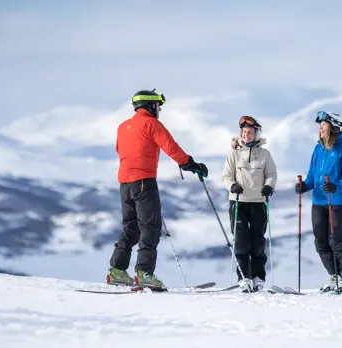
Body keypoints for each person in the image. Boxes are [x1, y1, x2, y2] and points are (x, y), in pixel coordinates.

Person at [107, 89, 208, 289]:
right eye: (158, 105)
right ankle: (144, 273)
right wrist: (190, 164)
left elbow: (120, 150)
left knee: (131, 227)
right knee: (150, 228)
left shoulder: (122, 127)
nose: (160, 109)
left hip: (125, 183)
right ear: (151, 105)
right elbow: (171, 147)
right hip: (144, 181)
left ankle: (117, 271)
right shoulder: (151, 123)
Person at [294, 111, 342, 292]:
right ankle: (335, 276)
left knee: (336, 240)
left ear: (334, 128)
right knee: (320, 241)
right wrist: (304, 186)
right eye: (320, 126)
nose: (320, 129)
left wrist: (336, 186)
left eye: (323, 126)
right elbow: (312, 176)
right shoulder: (318, 148)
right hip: (319, 201)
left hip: (340, 201)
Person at [222, 115, 277, 292]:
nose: (246, 135)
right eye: (244, 132)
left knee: (258, 242)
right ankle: (244, 277)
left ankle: (259, 278)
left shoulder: (265, 154)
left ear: (256, 134)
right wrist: (232, 185)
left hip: (259, 202)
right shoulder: (234, 154)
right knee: (241, 242)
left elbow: (271, 175)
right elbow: (226, 176)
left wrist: (269, 187)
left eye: (250, 132)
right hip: (238, 202)